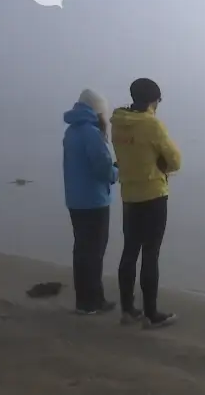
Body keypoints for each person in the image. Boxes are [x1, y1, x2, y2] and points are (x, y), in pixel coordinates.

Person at [111, 78, 181, 329]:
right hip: (153, 194)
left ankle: (128, 310)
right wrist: (162, 165)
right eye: (159, 101)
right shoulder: (151, 124)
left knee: (129, 252)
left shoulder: (117, 123)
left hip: (129, 195)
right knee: (150, 254)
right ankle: (151, 314)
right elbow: (175, 160)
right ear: (154, 100)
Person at [63, 89, 119, 315]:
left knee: (82, 251)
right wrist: (116, 172)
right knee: (94, 252)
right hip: (94, 201)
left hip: (75, 200)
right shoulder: (91, 133)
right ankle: (93, 302)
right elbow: (102, 168)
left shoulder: (71, 131)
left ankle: (84, 300)